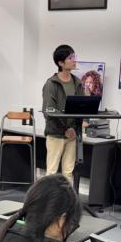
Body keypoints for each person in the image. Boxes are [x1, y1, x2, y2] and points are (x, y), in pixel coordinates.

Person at [41, 45, 85, 183]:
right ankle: (48, 197)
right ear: (60, 63)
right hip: (56, 134)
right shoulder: (51, 84)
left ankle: (67, 198)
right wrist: (66, 129)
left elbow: (81, 107)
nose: (74, 60)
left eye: (74, 57)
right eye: (70, 58)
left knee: (68, 173)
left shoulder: (77, 83)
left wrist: (75, 128)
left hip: (72, 135)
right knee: (52, 173)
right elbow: (49, 111)